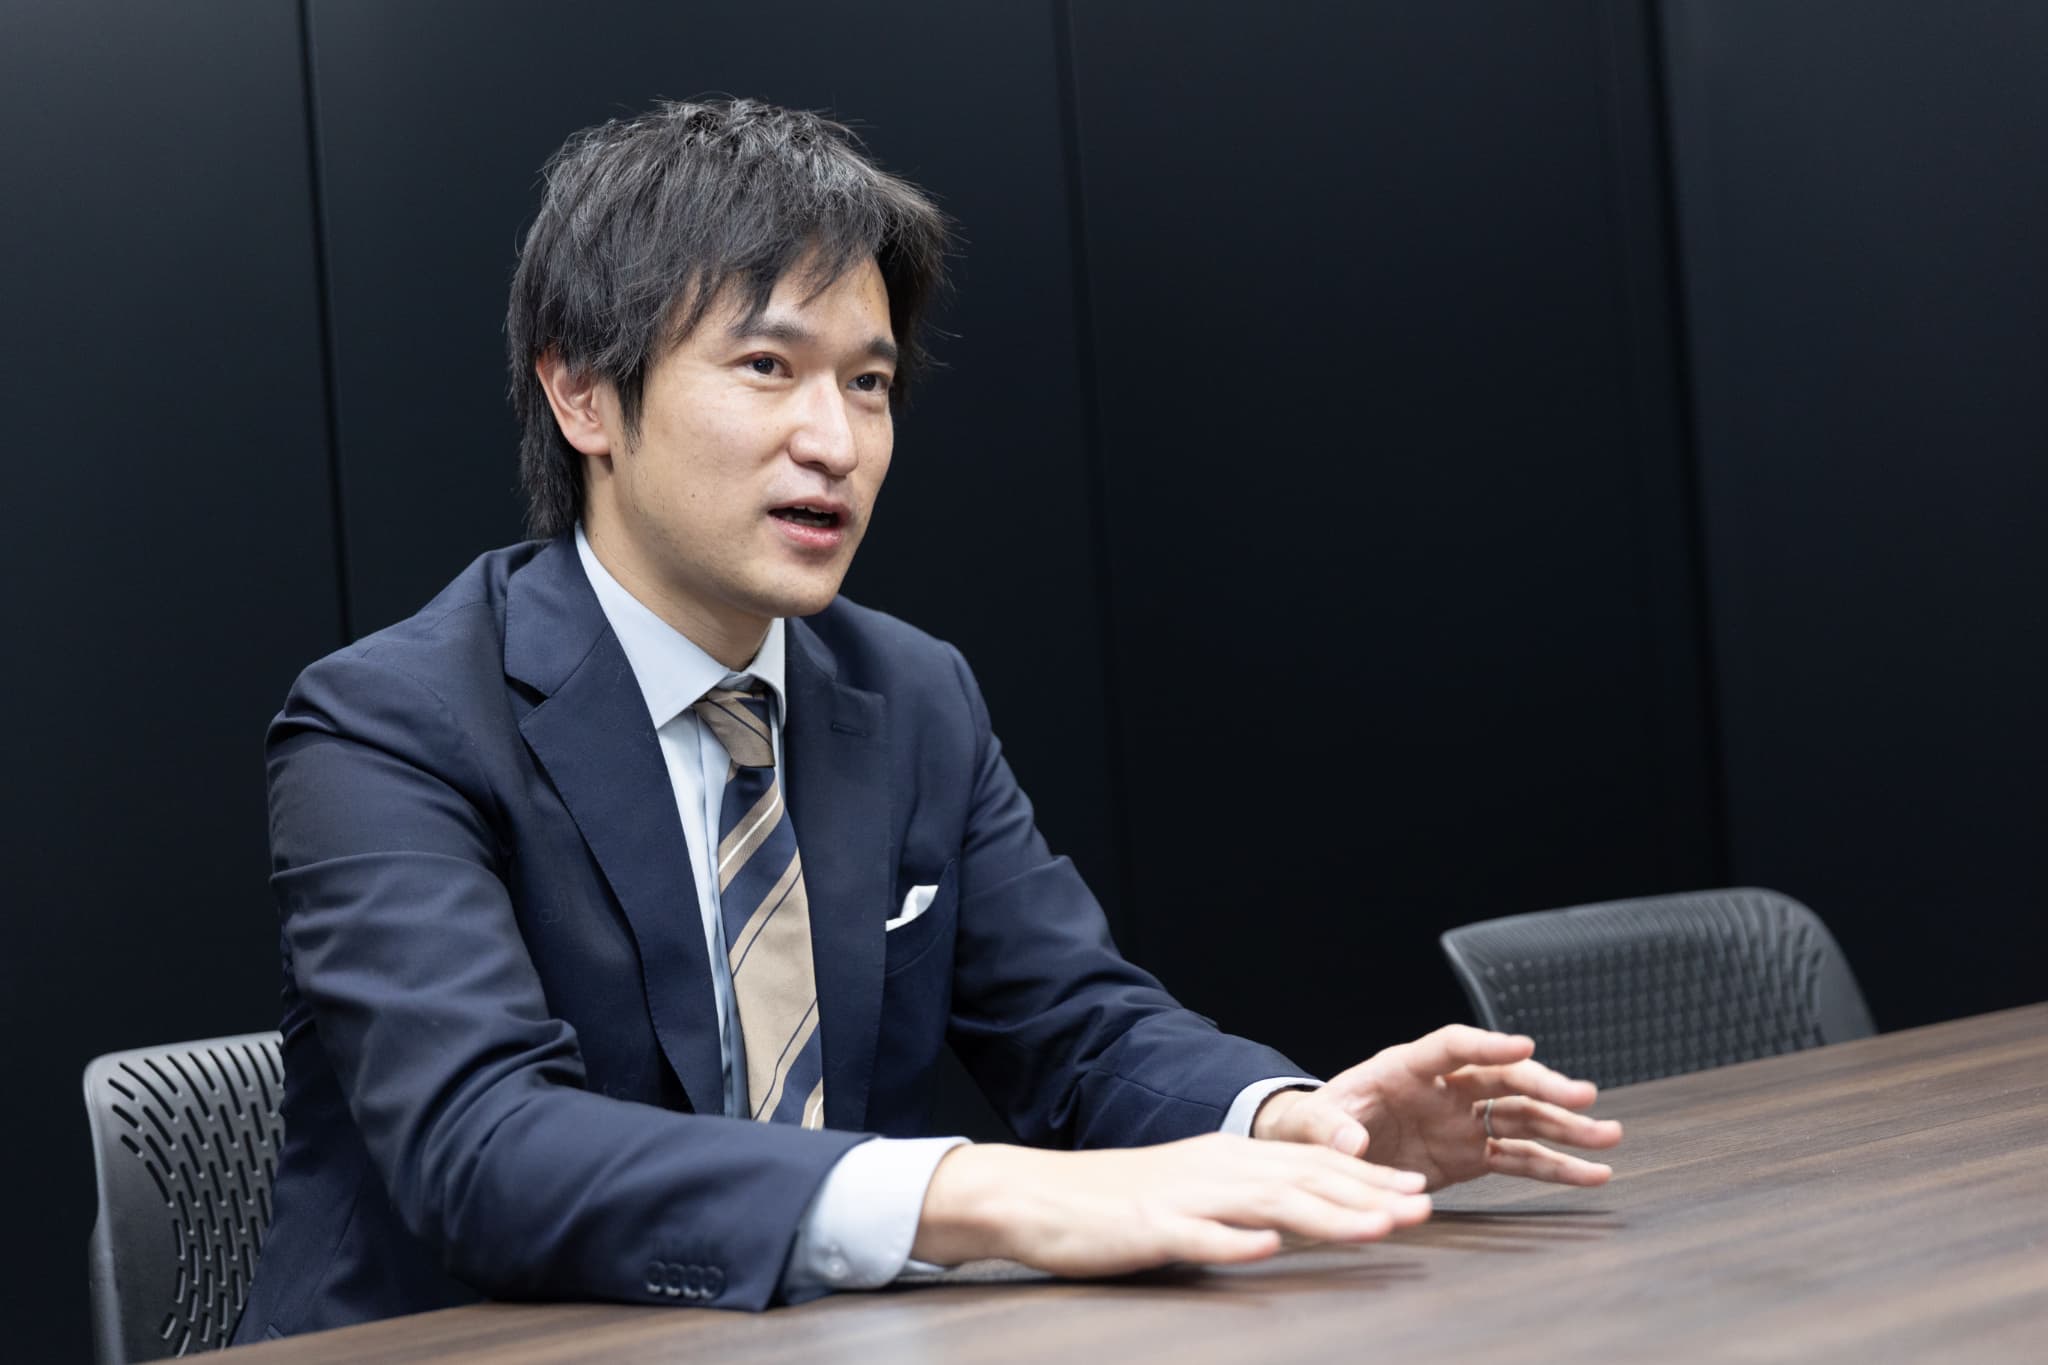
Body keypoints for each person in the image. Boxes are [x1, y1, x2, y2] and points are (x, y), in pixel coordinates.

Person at [233, 98, 1621, 1343]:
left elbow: (1080, 1029)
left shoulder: (906, 695)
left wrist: (1293, 1119)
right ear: (583, 392)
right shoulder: (391, 723)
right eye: (767, 366)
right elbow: (484, 1147)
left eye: (870, 382)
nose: (835, 441)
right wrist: (980, 1192)